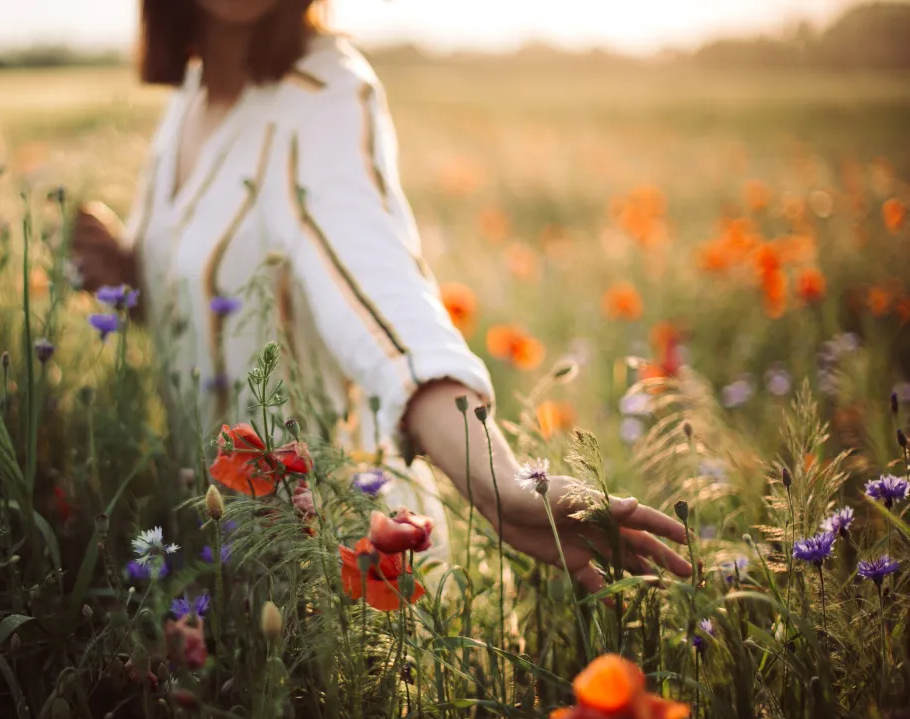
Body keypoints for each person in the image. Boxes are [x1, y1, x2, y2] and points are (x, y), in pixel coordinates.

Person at [72, 0, 692, 593]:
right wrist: (130, 274)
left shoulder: (326, 96)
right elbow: (215, 302)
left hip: (344, 562)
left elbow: (383, 299)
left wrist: (493, 478)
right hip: (220, 549)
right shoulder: (190, 97)